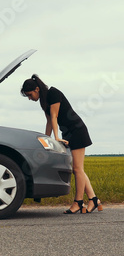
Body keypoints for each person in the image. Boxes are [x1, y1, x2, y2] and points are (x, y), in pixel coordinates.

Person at [21, 74, 103, 214]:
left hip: (76, 130)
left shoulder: (53, 93)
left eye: (29, 95)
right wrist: (46, 139)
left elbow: (54, 116)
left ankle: (78, 203)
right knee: (79, 169)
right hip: (69, 133)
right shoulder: (44, 100)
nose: (29, 98)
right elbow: (48, 121)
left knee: (77, 169)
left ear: (36, 89)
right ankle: (94, 200)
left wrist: (56, 137)